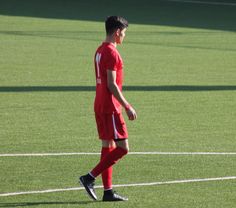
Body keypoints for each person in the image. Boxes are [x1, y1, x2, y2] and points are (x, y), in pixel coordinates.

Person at [79, 15, 137, 202]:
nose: (124, 36)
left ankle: (108, 192)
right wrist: (127, 105)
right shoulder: (112, 53)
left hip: (100, 103)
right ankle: (89, 177)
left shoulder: (99, 50)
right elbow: (112, 84)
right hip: (111, 106)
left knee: (108, 145)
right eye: (124, 33)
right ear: (117, 31)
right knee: (123, 148)